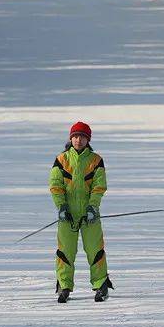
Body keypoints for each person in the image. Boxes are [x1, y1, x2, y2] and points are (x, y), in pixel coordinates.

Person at [49, 121, 113, 303]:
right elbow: (55, 185)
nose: (78, 140)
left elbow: (99, 186)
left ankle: (101, 285)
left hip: (90, 215)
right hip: (66, 215)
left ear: (88, 140)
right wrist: (61, 206)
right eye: (75, 136)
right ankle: (64, 285)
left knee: (95, 250)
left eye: (82, 137)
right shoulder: (61, 159)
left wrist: (93, 207)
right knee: (65, 251)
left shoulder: (95, 160)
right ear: (71, 138)